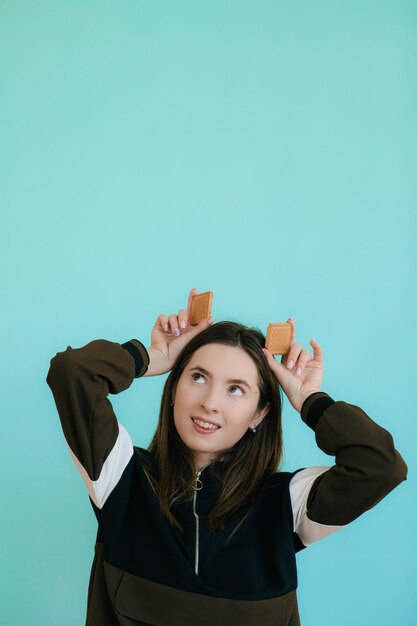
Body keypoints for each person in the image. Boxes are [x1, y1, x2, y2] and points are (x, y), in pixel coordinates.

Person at [46, 287, 407, 626]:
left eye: (236, 389)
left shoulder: (287, 502)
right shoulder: (119, 476)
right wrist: (153, 357)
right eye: (199, 377)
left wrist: (310, 399)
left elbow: (380, 465)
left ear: (259, 414)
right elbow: (73, 372)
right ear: (174, 389)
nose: (210, 403)